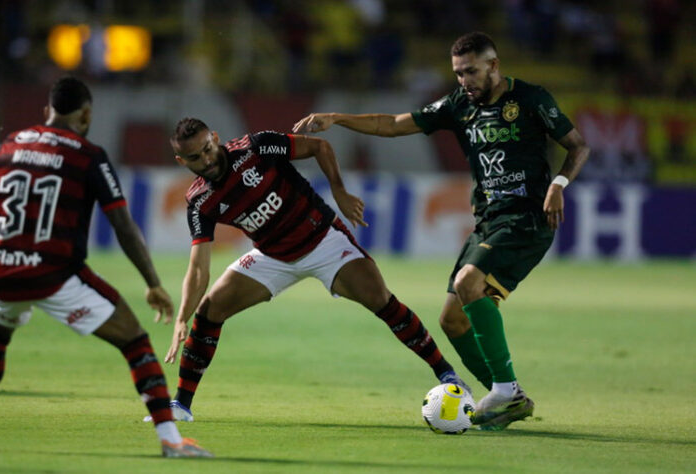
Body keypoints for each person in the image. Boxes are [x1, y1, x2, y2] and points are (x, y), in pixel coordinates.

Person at [293, 31, 590, 431]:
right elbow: (394, 124)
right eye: (458, 73)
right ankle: (507, 395)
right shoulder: (457, 106)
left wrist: (559, 185)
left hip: (526, 218)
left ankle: (504, 389)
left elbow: (578, 147)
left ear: (494, 66)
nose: (464, 80)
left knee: (469, 282)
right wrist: (338, 119)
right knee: (452, 320)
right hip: (488, 220)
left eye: (471, 71)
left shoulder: (531, 99)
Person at [0, 77, 212, 458]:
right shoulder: (87, 154)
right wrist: (152, 282)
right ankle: (171, 441)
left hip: (0, 274)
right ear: (86, 113)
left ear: (46, 112)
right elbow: (122, 225)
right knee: (135, 341)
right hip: (54, 275)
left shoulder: (10, 144)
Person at [147, 117, 469, 423]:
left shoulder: (255, 148)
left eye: (207, 149)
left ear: (215, 138)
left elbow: (319, 147)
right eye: (195, 157)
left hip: (323, 240)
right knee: (208, 313)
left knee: (381, 300)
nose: (206, 160)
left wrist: (339, 190)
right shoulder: (200, 201)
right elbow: (199, 266)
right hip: (271, 256)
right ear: (182, 161)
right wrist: (181, 318)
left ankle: (446, 373)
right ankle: (182, 406)